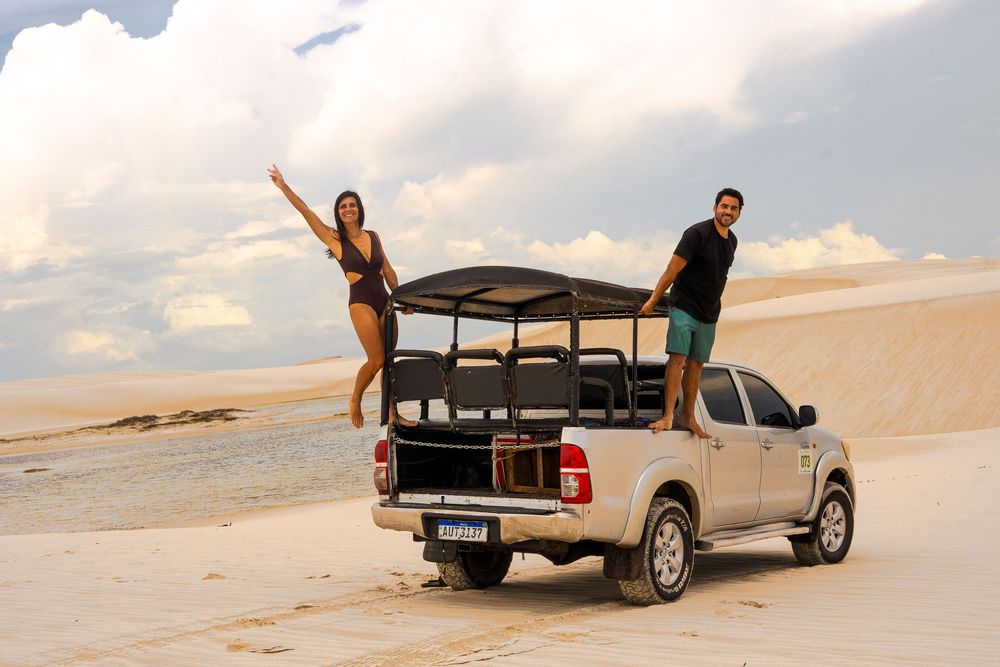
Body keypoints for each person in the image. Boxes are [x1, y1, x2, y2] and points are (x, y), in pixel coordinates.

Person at [267, 164, 414, 429]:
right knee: (376, 360)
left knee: (389, 362)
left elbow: (388, 270)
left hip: (385, 301)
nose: (348, 209)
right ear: (338, 212)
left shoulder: (373, 236)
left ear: (359, 209)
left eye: (352, 205)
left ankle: (393, 413)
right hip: (361, 303)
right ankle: (355, 399)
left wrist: (403, 298)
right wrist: (283, 186)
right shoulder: (333, 239)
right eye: (343, 207)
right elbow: (306, 212)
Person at [639, 188, 743, 438]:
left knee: (697, 364)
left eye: (733, 208)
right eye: (724, 206)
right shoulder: (696, 234)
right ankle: (668, 416)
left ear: (739, 213)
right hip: (684, 306)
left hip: (709, 312)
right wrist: (653, 300)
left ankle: (688, 416)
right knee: (678, 359)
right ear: (715, 207)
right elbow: (671, 269)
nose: (728, 212)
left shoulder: (732, 241)